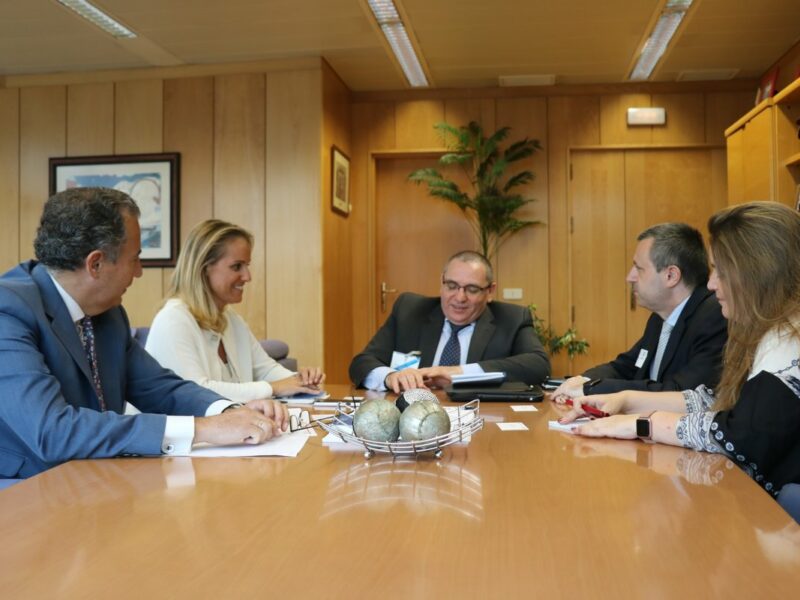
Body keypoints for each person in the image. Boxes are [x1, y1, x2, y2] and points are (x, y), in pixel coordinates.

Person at [0, 188, 289, 482]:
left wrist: (229, 411)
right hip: (27, 488)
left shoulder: (108, 314)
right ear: (96, 264)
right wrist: (203, 428)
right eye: (135, 259)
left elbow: (160, 387)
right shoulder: (9, 312)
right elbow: (52, 431)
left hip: (97, 478)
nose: (138, 272)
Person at [559, 201, 800, 500]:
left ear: (759, 275)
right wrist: (627, 401)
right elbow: (719, 402)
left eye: (721, 272)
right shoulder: (768, 331)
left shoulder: (789, 341)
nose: (711, 284)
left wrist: (643, 424)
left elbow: (741, 437)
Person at [145, 219, 324, 401]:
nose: (247, 276)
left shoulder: (230, 318)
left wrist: (300, 380)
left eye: (247, 265)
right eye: (236, 266)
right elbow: (196, 393)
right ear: (204, 268)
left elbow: (265, 369)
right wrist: (274, 388)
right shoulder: (173, 320)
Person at [552, 222, 727, 400]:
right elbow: (626, 367)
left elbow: (680, 392)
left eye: (639, 268)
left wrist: (591, 389)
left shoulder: (714, 316)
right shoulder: (660, 318)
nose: (630, 277)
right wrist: (582, 380)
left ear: (671, 276)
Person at [349, 250, 550, 393]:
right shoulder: (409, 311)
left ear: (490, 292)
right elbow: (362, 363)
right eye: (452, 286)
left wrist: (457, 372)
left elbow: (538, 365)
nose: (459, 297)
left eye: (472, 289)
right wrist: (390, 376)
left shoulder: (512, 319)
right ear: (441, 283)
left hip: (479, 421)